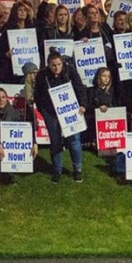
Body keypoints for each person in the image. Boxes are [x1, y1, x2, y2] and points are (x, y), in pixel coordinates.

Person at [34, 51, 88, 184]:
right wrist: (43, 111)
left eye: (59, 64)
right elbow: (38, 94)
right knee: (55, 141)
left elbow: (80, 88)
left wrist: (82, 104)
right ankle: (57, 170)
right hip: (50, 112)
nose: (57, 68)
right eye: (53, 65)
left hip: (70, 110)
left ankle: (77, 169)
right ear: (48, 65)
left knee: (74, 140)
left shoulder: (70, 71)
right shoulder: (42, 75)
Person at [0, 87, 37, 184]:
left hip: (9, 142)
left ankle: (11, 169)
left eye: (3, 97)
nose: (1, 100)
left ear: (7, 99)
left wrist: (34, 142)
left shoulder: (12, 111)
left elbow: (23, 129)